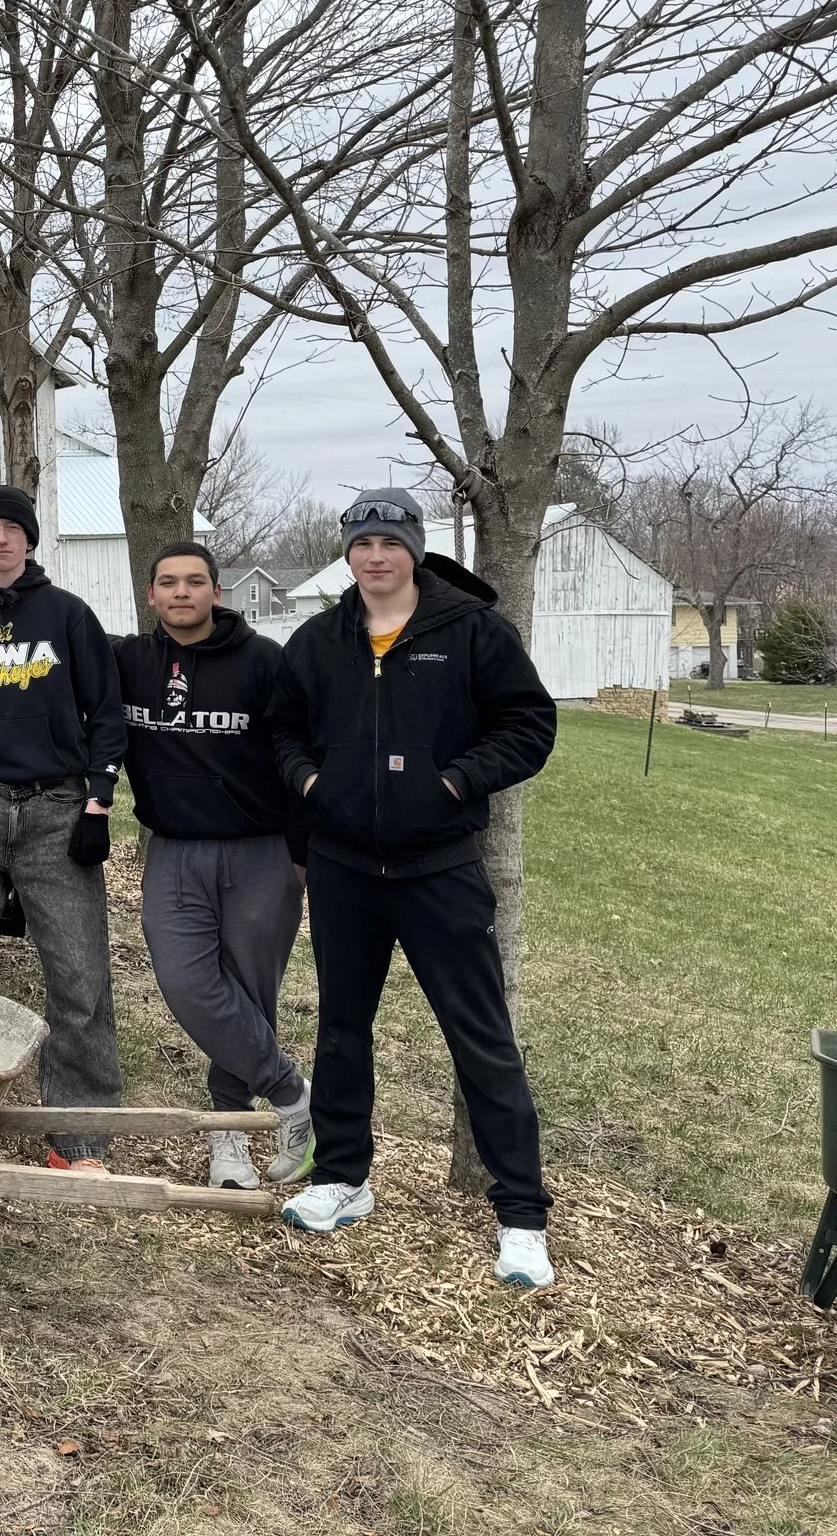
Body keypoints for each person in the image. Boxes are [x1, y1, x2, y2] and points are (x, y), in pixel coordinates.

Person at [268, 488, 560, 1288]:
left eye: (390, 542)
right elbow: (282, 730)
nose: (375, 555)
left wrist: (456, 782)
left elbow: (529, 724)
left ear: (414, 550)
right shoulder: (319, 639)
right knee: (341, 1028)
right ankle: (343, 1177)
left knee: (480, 1037)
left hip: (439, 867)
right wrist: (312, 781)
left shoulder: (471, 631)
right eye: (362, 542)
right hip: (343, 866)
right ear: (348, 552)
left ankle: (522, 1216)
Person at [0, 484, 129, 1171]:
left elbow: (106, 715)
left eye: (14, 528)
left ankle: (79, 1137)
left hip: (55, 810)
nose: (1, 539)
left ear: (30, 541)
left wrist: (98, 803)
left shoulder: (68, 615)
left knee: (78, 974)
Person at [117, 540, 312, 1191]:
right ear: (151, 594)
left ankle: (230, 1136)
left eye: (195, 581)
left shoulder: (264, 662)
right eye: (168, 582)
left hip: (260, 849)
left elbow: (298, 753)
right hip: (174, 848)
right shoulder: (129, 663)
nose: (182, 592)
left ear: (216, 592)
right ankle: (293, 1094)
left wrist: (302, 853)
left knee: (249, 992)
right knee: (188, 982)